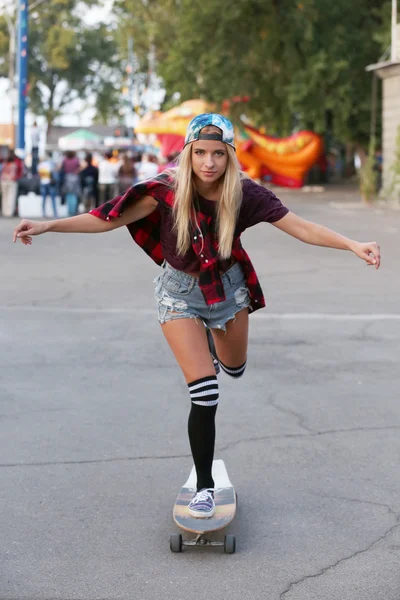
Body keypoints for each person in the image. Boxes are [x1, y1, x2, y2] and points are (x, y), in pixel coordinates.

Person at [13, 113, 381, 518]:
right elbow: (106, 219)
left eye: (218, 154)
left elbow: (302, 228)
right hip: (179, 297)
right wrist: (48, 225)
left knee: (235, 368)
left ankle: (218, 349)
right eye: (200, 152)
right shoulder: (164, 191)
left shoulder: (245, 194)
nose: (208, 162)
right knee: (205, 391)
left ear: (229, 156)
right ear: (187, 153)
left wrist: (352, 244)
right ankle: (204, 487)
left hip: (228, 294)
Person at [1, 149, 23, 217]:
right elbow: (20, 172)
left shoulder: (4, 164)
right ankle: (9, 212)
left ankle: (5, 212)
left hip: (3, 181)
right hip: (12, 181)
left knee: (4, 197)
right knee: (11, 197)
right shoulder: (15, 164)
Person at [60, 151, 81, 216]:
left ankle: (69, 211)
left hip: (67, 177)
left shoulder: (65, 160)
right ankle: (73, 211)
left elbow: (60, 168)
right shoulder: (76, 160)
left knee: (68, 195)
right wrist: (76, 171)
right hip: (75, 177)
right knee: (74, 195)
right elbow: (81, 166)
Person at [38, 152, 57, 218]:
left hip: (43, 182)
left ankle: (43, 213)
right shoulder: (50, 164)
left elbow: (39, 174)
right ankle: (55, 214)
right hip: (50, 182)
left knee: (44, 199)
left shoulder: (40, 165)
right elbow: (53, 171)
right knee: (52, 199)